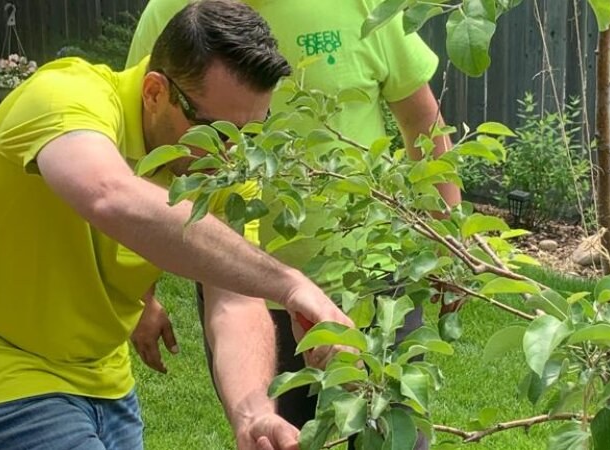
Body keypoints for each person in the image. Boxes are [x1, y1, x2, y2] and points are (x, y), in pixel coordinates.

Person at [0, 1, 354, 450]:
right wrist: (288, 282)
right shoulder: (65, 97)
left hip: (105, 379)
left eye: (250, 134)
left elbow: (234, 298)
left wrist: (253, 410)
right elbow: (111, 195)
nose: (233, 155)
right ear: (156, 92)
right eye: (216, 132)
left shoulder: (222, 168)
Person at [127, 1, 461, 448]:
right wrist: (140, 295)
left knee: (392, 435)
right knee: (277, 436)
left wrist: (449, 238)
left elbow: (421, 119)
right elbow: (145, 151)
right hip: (244, 281)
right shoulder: (172, 13)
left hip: (377, 279)